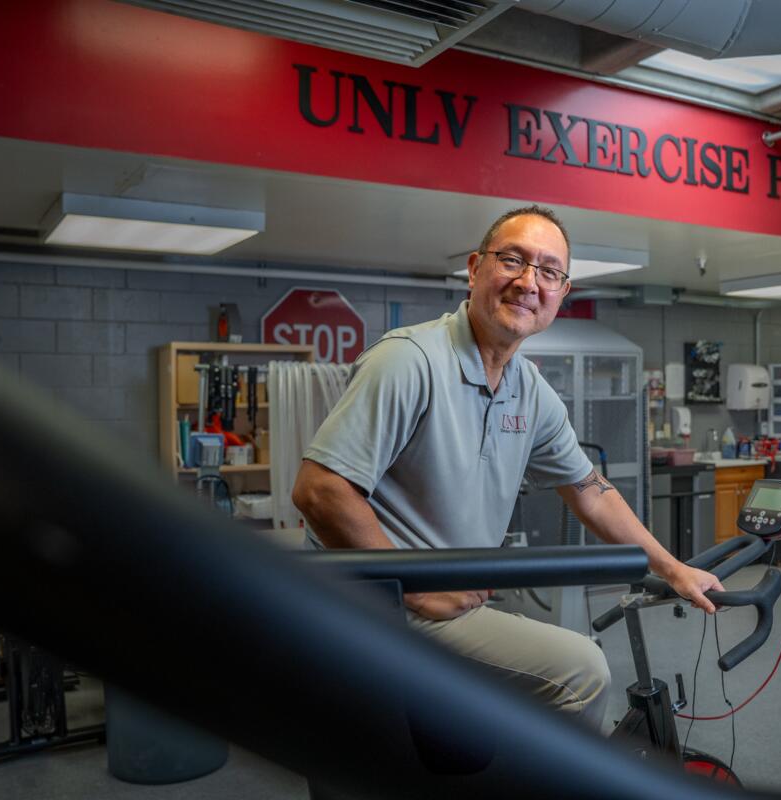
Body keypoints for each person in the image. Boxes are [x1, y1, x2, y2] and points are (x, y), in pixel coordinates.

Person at [292, 205, 723, 732]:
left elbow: (590, 489)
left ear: (563, 293)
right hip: (379, 602)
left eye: (549, 271)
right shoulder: (410, 361)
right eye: (512, 260)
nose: (528, 283)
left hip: (452, 600)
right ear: (475, 269)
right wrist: (420, 586)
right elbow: (320, 490)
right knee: (582, 670)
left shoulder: (529, 388)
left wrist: (671, 568)